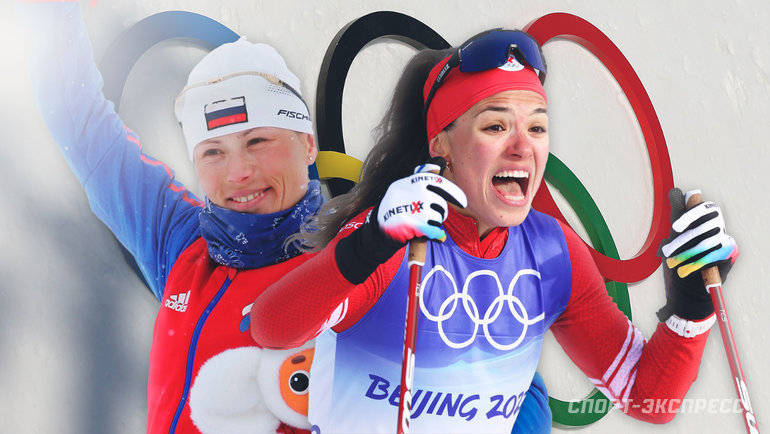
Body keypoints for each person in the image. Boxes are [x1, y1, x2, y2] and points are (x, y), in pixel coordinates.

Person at [250, 28, 740, 432]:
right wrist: (370, 243)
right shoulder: (396, 236)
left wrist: (692, 309)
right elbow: (272, 328)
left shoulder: (552, 253)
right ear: (442, 143)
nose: (522, 147)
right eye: (494, 126)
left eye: (537, 128)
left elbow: (647, 397)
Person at [17, 1, 324, 432]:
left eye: (258, 141)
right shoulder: (181, 242)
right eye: (213, 152)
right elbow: (78, 121)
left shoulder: (356, 259)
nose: (238, 172)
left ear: (307, 144)